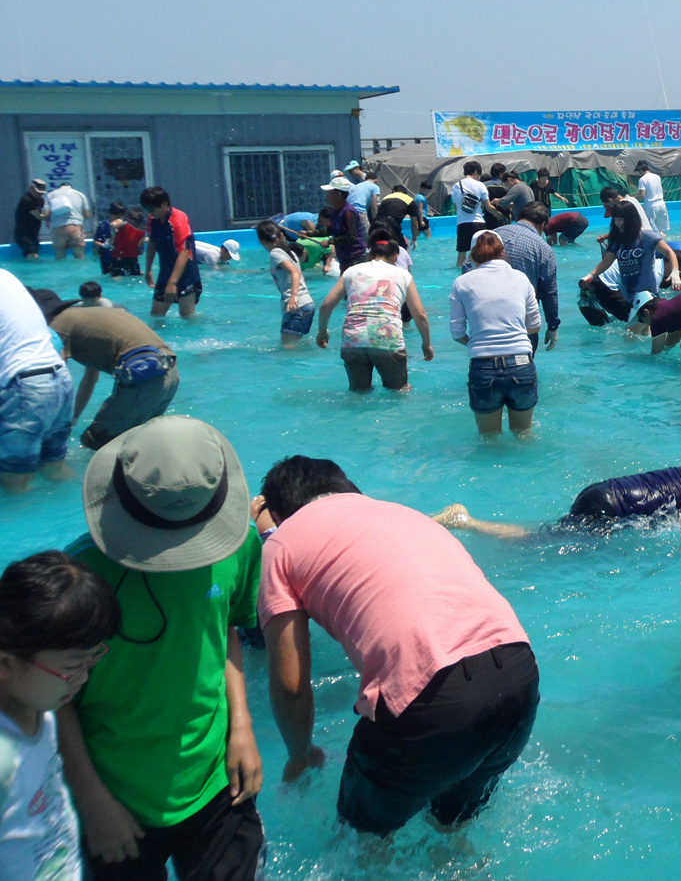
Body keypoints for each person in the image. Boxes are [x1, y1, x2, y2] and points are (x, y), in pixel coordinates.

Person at [254, 455, 537, 836]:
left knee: (360, 845)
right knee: (451, 837)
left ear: (279, 512)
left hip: (433, 698)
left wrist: (300, 756)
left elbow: (290, 685)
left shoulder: (281, 545)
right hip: (518, 674)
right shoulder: (405, 514)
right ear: (348, 489)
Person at [58, 417, 265, 881]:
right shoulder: (79, 579)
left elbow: (225, 628)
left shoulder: (239, 545)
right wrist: (91, 800)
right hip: (115, 797)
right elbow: (54, 695)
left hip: (217, 779)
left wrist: (243, 727)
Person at [0, 551, 121, 881]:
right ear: (5, 664)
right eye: (72, 667)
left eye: (92, 659)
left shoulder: (44, 711)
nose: (83, 678)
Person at [32, 288, 179, 450]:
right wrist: (73, 418)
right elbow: (90, 378)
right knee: (137, 444)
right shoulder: (85, 317)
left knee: (96, 442)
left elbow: (53, 381)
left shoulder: (56, 327)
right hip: (167, 372)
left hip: (144, 377)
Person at [317, 227, 433, 392]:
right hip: (387, 340)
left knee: (358, 394)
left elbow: (326, 305)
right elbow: (420, 315)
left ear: (370, 253)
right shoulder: (403, 274)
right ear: (395, 257)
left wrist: (322, 332)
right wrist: (426, 344)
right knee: (399, 392)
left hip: (353, 340)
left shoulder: (351, 271)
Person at [450, 231, 541, 435]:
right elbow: (535, 325)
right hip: (521, 363)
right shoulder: (521, 278)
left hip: (483, 366)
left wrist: (478, 342)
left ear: (472, 255)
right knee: (524, 434)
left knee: (488, 439)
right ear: (503, 252)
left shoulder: (462, 283)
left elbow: (456, 333)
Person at [0, 270, 73, 494]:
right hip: (60, 378)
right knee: (55, 470)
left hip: (25, 388)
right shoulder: (6, 277)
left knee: (15, 482)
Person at [583, 205, 681, 313]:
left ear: (631, 219)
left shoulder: (647, 236)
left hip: (648, 294)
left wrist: (675, 272)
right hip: (629, 296)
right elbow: (606, 262)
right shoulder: (617, 240)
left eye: (620, 219)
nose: (617, 223)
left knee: (637, 328)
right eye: (615, 219)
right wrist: (590, 276)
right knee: (640, 328)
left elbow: (669, 252)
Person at [496, 201, 562, 351]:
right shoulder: (543, 248)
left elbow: (467, 270)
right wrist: (552, 326)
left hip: (485, 324)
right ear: (543, 224)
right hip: (521, 326)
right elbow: (549, 293)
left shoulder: (491, 235)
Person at [139, 187, 202, 319]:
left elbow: (184, 253)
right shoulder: (153, 220)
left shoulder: (179, 220)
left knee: (187, 316)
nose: (149, 214)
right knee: (156, 315)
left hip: (186, 275)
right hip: (165, 272)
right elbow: (152, 242)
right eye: (147, 210)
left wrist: (172, 283)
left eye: (151, 210)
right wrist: (148, 268)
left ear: (164, 205)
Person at [256, 220, 315, 346]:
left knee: (287, 351)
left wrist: (293, 297)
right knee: (296, 348)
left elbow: (294, 271)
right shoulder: (290, 252)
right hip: (307, 304)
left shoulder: (275, 253)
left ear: (261, 241)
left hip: (296, 307)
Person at [319, 175, 367, 273]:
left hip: (355, 258)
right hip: (344, 258)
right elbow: (329, 230)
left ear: (338, 194)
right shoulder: (334, 211)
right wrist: (308, 234)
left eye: (330, 191)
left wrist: (329, 242)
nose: (327, 194)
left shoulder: (349, 212)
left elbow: (351, 237)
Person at [452, 160, 493, 267]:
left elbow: (456, 207)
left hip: (461, 224)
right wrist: (499, 214)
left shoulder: (456, 186)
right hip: (478, 223)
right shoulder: (480, 185)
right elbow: (488, 207)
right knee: (482, 254)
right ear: (475, 172)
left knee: (461, 255)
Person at [45, 181, 92, 261]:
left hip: (57, 230)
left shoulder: (50, 195)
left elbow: (46, 214)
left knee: (59, 260)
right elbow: (86, 216)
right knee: (79, 259)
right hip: (75, 229)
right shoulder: (80, 195)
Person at [373, 183, 423, 248]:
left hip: (376, 225)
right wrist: (414, 238)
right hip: (391, 226)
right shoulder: (409, 200)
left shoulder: (386, 197)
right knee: (403, 247)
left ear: (394, 191)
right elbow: (414, 223)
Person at [343, 160, 381, 239]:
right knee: (367, 234)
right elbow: (374, 205)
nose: (351, 174)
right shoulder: (373, 186)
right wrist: (376, 219)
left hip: (350, 209)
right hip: (360, 210)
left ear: (356, 168)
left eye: (351, 171)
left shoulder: (362, 181)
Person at [104, 208, 145, 278]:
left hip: (130, 258)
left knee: (133, 277)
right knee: (119, 277)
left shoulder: (141, 231)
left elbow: (140, 246)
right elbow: (113, 224)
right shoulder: (124, 224)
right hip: (119, 257)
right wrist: (117, 228)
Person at [12, 177, 46, 259]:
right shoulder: (27, 200)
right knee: (32, 255)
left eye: (41, 193)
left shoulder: (40, 200)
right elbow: (39, 216)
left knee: (35, 253)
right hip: (23, 234)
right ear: (31, 188)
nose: (40, 195)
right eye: (38, 192)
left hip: (33, 234)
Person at [635, 159, 670, 234]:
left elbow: (642, 195)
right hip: (662, 205)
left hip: (650, 207)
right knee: (660, 231)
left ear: (640, 169)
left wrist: (631, 198)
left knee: (649, 230)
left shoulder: (642, 179)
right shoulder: (657, 177)